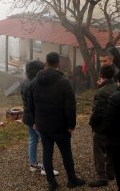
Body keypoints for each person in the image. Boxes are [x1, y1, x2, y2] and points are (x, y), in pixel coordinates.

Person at [28, 52, 85, 191]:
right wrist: (71, 124)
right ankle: (72, 180)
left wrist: (34, 121)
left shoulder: (35, 82)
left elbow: (30, 104)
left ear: (46, 62)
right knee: (66, 153)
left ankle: (52, 183)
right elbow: (70, 106)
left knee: (47, 153)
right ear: (58, 63)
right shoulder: (63, 82)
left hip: (43, 125)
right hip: (61, 126)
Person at [21, 60, 59, 176]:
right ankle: (45, 168)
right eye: (42, 69)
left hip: (27, 117)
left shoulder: (24, 82)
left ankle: (33, 164)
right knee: (45, 142)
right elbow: (38, 104)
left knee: (32, 140)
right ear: (38, 71)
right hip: (36, 118)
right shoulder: (36, 84)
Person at [88, 64, 118, 187]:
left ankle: (102, 177)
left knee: (98, 151)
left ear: (101, 74)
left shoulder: (101, 91)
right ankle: (111, 173)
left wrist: (91, 124)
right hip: (115, 126)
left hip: (102, 127)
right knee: (111, 149)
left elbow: (97, 112)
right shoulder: (118, 87)